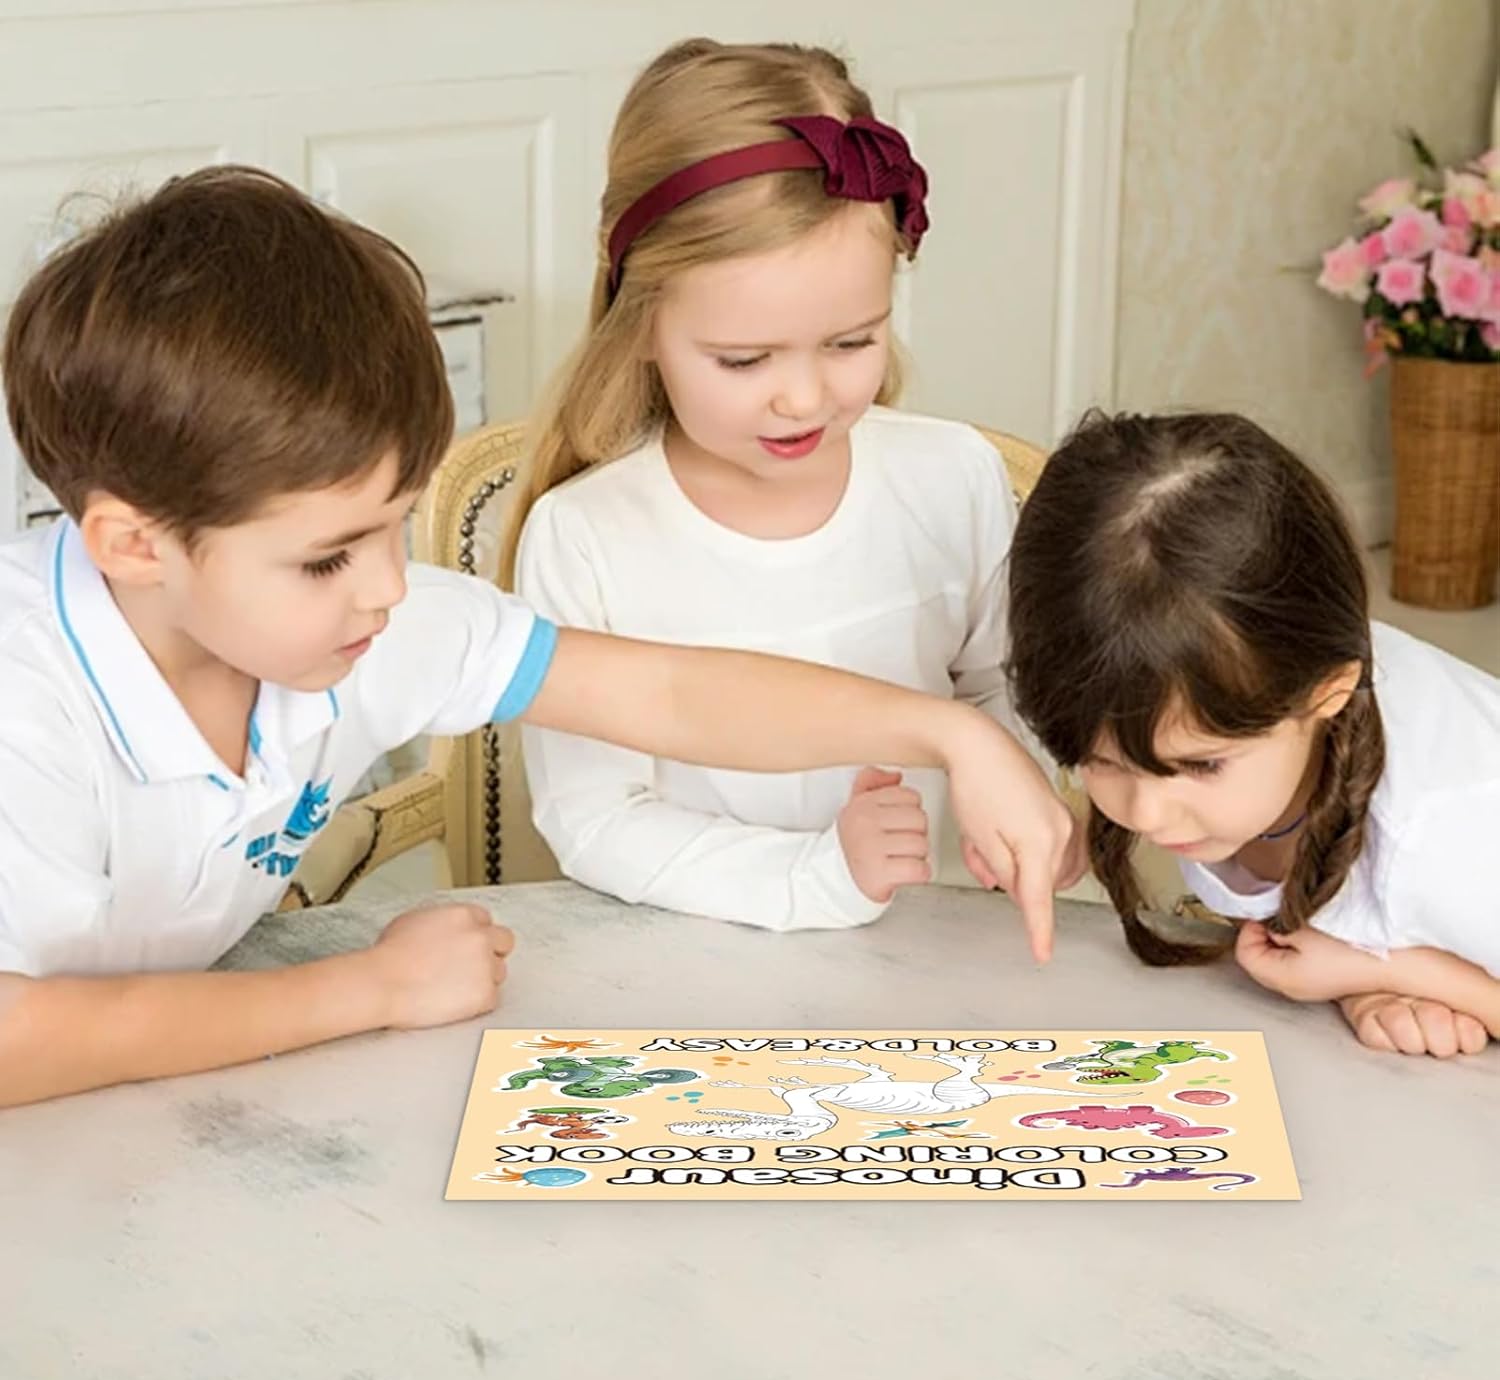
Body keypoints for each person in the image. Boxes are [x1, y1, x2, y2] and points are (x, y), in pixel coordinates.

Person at [0, 165, 1075, 1107]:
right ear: (133, 546)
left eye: (396, 525)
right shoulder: (24, 700)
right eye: (328, 558)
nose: (388, 587)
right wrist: (369, 988)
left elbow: (667, 696)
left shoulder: (369, 622)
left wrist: (953, 735)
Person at [509, 39, 1055, 931]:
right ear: (638, 322)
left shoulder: (952, 477)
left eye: (851, 342)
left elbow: (1007, 689)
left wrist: (1025, 799)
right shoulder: (588, 536)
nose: (803, 398)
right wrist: (818, 876)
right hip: (701, 961)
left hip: (942, 945)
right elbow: (596, 818)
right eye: (744, 359)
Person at [1005, 409, 1500, 1057]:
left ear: (1328, 692)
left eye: (1201, 765)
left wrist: (1394, 971)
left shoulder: (1447, 834)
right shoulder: (1255, 691)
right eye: (1102, 761)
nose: (1146, 814)